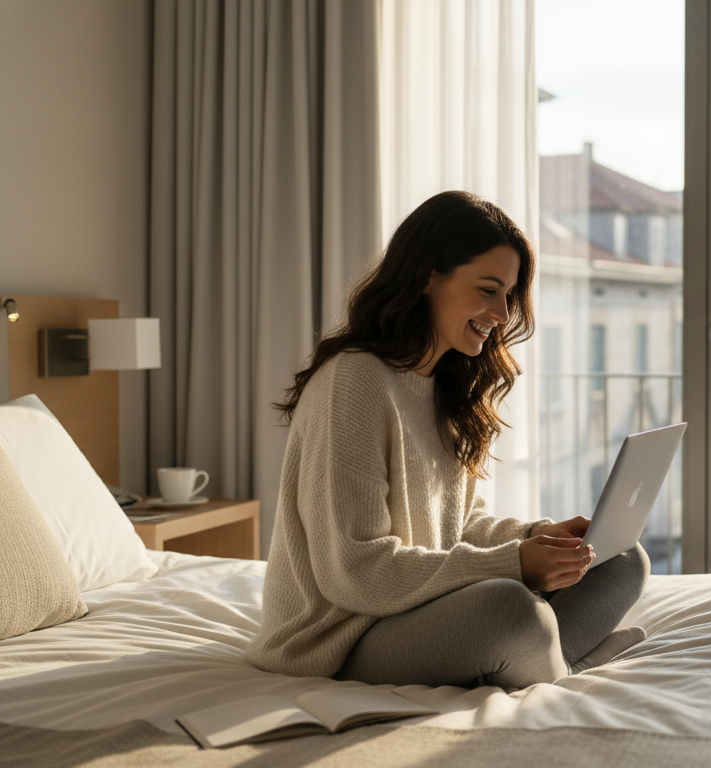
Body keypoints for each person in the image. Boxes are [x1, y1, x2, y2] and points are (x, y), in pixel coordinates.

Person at [246, 191, 649, 689]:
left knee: (620, 559)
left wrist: (535, 538)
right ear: (426, 277)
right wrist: (515, 565)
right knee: (512, 609)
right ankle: (567, 664)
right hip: (345, 636)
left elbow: (458, 525)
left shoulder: (445, 382)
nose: (502, 313)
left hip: (416, 606)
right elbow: (353, 571)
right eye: (488, 289)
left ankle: (546, 660)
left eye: (509, 293)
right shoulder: (354, 381)